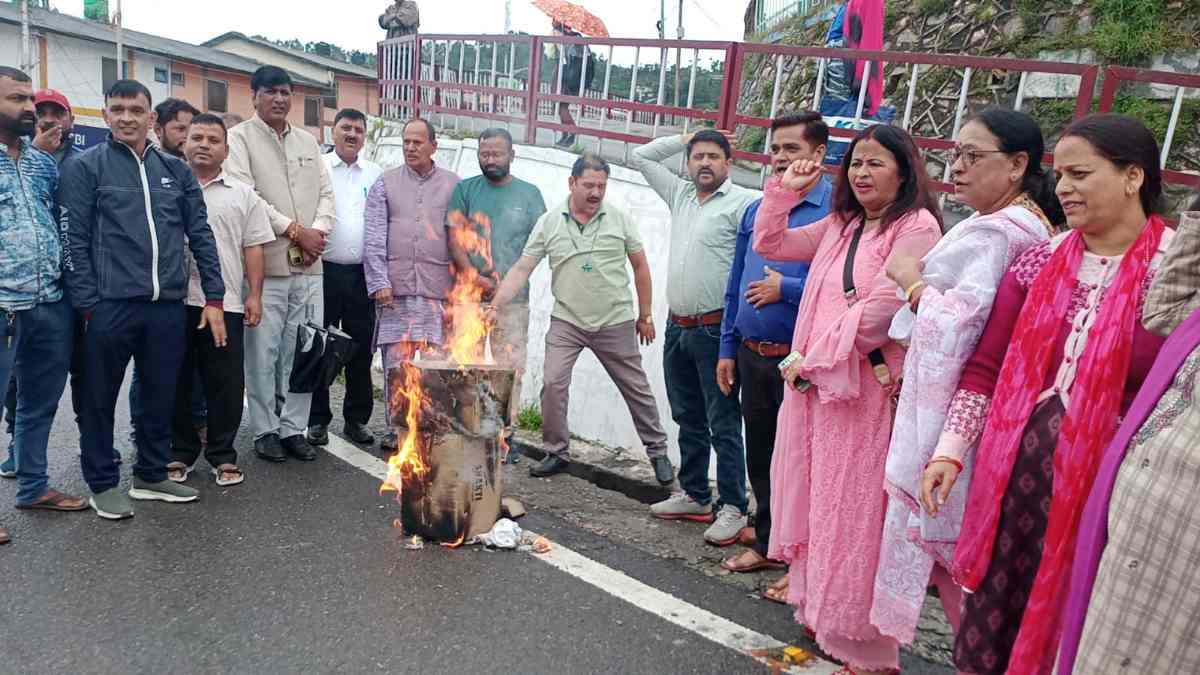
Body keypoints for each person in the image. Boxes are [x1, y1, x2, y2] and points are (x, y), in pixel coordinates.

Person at [920, 114, 1173, 674]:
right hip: (1015, 491)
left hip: (1111, 499)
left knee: (1078, 629)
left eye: (1081, 174)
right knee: (997, 623)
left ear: (1133, 177)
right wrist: (950, 451)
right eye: (1060, 175)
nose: (1063, 189)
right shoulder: (1040, 262)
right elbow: (986, 368)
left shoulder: (1175, 276)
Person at [754, 124, 942, 674]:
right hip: (820, 392)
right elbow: (773, 244)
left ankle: (866, 646)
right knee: (819, 503)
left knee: (856, 515)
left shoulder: (917, 227)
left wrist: (810, 360)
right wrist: (784, 191)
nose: (861, 173)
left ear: (904, 170)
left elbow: (882, 311)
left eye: (875, 163)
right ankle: (825, 617)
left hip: (862, 395)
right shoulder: (843, 223)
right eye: (856, 163)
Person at [869, 108, 1059, 648]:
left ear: (1018, 164)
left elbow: (959, 327)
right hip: (959, 405)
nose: (958, 167)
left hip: (960, 412)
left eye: (973, 157)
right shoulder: (1005, 224)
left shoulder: (1003, 234)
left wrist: (911, 283)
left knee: (955, 554)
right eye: (956, 154)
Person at [60, 79, 227, 520]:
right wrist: (88, 304)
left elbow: (201, 235)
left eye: (136, 109)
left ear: (152, 117)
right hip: (109, 306)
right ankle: (101, 483)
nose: (127, 118)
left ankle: (151, 474)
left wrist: (214, 295)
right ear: (106, 114)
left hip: (167, 307)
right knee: (98, 398)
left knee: (160, 395)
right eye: (118, 109)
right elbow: (72, 239)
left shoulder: (176, 171)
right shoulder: (86, 167)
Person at [1057, 195, 1200, 675]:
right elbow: (1164, 312)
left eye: (1080, 176)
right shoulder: (1057, 251)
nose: (1065, 188)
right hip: (1137, 527)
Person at [489, 154, 673, 481]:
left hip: (614, 319)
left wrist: (645, 314)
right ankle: (556, 452)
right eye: (588, 185)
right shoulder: (549, 222)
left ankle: (658, 452)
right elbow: (523, 268)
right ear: (572, 183)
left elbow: (641, 266)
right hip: (567, 321)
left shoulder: (619, 219)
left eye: (601, 186)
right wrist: (497, 304)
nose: (596, 192)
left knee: (636, 388)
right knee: (553, 383)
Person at [717, 112, 831, 567]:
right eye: (776, 150)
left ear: (818, 154)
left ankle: (793, 552)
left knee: (801, 463)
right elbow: (735, 281)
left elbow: (845, 291)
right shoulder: (759, 207)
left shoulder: (837, 212)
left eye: (793, 150)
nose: (781, 159)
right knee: (760, 451)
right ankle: (768, 532)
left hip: (800, 363)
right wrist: (728, 347)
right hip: (752, 354)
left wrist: (788, 288)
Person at [633, 129, 758, 544]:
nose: (704, 163)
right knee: (687, 415)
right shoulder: (681, 196)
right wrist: (685, 136)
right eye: (697, 156)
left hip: (716, 329)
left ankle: (734, 506)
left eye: (713, 156)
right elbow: (642, 156)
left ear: (729, 162)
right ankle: (696, 494)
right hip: (677, 325)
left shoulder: (744, 204)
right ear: (688, 163)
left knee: (723, 420)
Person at [225, 66, 335, 464]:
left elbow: (326, 194)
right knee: (263, 351)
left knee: (304, 350)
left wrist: (317, 235)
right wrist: (294, 231)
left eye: (286, 92)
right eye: (271, 92)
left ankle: (294, 428)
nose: (280, 99)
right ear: (253, 96)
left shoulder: (308, 141)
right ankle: (265, 429)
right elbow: (247, 196)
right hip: (266, 266)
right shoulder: (238, 140)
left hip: (310, 266)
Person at [0, 66, 88, 543]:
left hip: (49, 303)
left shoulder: (40, 163)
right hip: (2, 304)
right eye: (17, 99)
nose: (29, 108)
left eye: (29, 99)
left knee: (38, 404)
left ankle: (33, 487)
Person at [166, 113, 273, 487]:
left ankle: (223, 455)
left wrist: (254, 296)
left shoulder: (243, 195)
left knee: (225, 383)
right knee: (176, 379)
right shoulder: (167, 186)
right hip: (174, 302)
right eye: (197, 137)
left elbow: (254, 248)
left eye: (213, 140)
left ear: (226, 150)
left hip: (224, 303)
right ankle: (179, 452)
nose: (204, 145)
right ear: (185, 142)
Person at [363, 117, 459, 451]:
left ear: (434, 145)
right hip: (395, 292)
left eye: (417, 142)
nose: (410, 147)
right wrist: (378, 281)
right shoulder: (385, 183)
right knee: (396, 364)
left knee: (434, 364)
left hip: (438, 292)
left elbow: (460, 239)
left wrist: (460, 289)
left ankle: (429, 426)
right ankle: (397, 427)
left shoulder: (453, 185)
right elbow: (374, 237)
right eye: (406, 141)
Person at [307, 108, 382, 448]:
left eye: (358, 129)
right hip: (322, 271)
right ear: (332, 131)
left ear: (365, 136)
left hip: (362, 275)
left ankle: (356, 420)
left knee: (361, 350)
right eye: (346, 128)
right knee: (320, 347)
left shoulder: (376, 174)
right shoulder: (318, 169)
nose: (352, 134)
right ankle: (317, 420)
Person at [447, 127, 547, 373]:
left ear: (512, 155)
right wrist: (474, 277)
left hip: (514, 302)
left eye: (497, 154)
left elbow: (540, 246)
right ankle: (469, 414)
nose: (490, 160)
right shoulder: (465, 190)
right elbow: (454, 240)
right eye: (484, 154)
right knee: (465, 372)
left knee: (509, 373)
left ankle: (506, 413)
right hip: (469, 299)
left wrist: (509, 284)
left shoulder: (530, 194)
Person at [549, 21, 592, 148]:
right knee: (559, 107)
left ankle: (571, 133)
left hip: (566, 76)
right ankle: (565, 134)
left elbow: (568, 59)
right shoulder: (569, 38)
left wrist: (560, 43)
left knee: (562, 107)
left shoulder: (573, 39)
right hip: (562, 74)